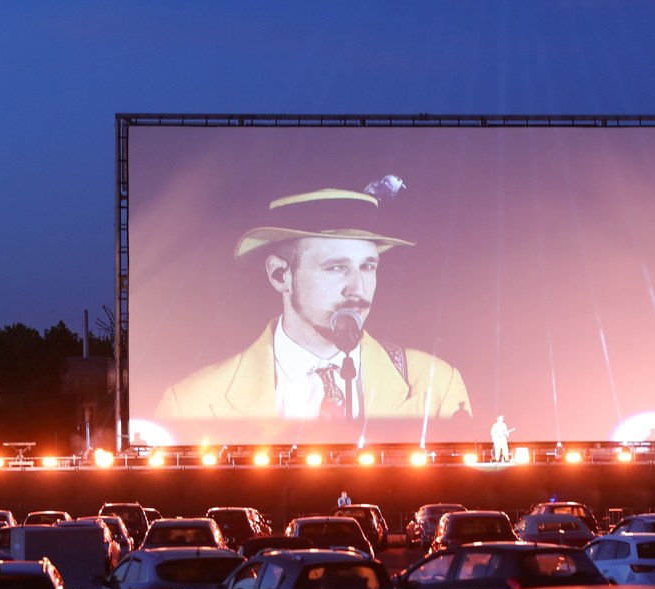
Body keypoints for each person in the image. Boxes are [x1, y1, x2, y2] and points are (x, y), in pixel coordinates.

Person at [154, 176, 471, 421]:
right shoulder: (190, 401)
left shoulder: (437, 385)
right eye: (336, 268)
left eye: (368, 266)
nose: (357, 288)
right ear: (280, 275)